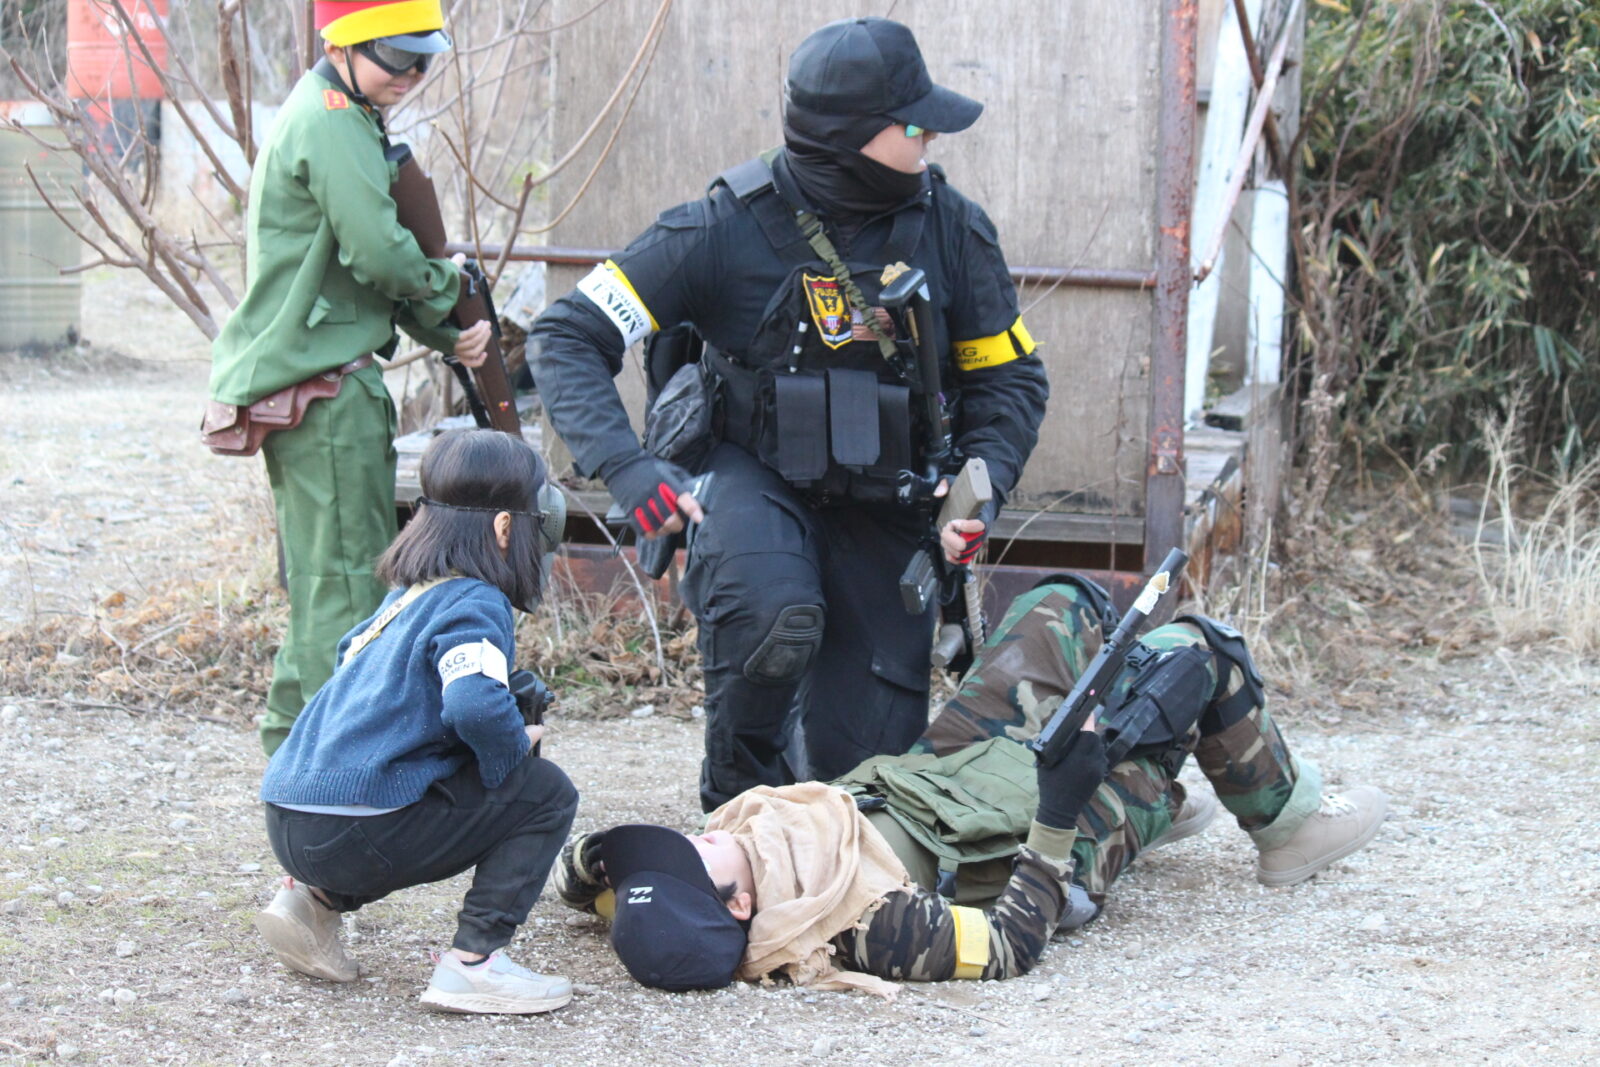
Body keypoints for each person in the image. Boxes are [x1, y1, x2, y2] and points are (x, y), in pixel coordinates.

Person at [530, 16, 1049, 810]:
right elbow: (567, 334)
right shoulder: (723, 226)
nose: (931, 139)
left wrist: (982, 486)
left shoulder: (953, 230)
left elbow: (1010, 382)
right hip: (753, 479)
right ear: (849, 137)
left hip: (890, 506)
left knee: (860, 792)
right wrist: (629, 468)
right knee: (776, 617)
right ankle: (739, 808)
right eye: (914, 126)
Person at [554, 578, 1388, 994]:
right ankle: (1285, 823)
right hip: (1029, 835)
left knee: (1059, 603)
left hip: (936, 775)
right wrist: (1059, 810)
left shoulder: (718, 866)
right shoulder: (860, 927)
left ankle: (1151, 798)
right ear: (742, 906)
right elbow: (1012, 944)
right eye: (693, 857)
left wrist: (600, 862)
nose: (693, 836)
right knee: (1195, 655)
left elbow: (585, 873)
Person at [208, 0, 494, 757]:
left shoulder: (341, 113)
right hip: (325, 389)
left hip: (325, 381)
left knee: (324, 584)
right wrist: (449, 290)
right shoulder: (333, 121)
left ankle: (292, 754)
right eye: (397, 55)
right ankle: (329, 769)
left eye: (424, 56)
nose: (414, 73)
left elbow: (360, 268)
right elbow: (378, 253)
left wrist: (445, 330)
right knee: (343, 590)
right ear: (342, 46)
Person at [254, 429, 577, 1015]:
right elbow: (474, 704)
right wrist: (512, 748)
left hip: (289, 819)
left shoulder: (404, 597)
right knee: (546, 794)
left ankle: (309, 904)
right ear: (506, 528)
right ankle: (473, 966)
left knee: (401, 783)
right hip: (352, 836)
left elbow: (353, 675)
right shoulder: (477, 601)